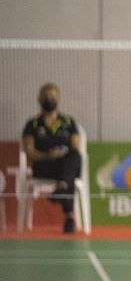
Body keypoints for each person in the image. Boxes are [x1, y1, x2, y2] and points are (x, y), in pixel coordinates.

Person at [22, 83, 83, 234]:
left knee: (74, 157)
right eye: (46, 96)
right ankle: (69, 217)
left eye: (52, 96)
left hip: (65, 164)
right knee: (67, 174)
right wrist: (48, 155)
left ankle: (61, 188)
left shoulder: (68, 122)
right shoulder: (32, 124)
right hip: (44, 166)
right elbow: (29, 151)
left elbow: (76, 145)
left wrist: (60, 154)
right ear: (39, 98)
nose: (49, 99)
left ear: (58, 98)